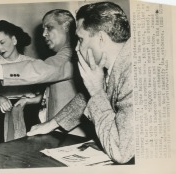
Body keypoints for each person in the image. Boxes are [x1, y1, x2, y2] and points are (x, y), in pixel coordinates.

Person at [26, 2, 134, 164]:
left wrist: (97, 92)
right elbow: (85, 97)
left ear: (101, 39)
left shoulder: (134, 72)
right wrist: (52, 123)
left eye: (81, 40)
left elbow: (121, 151)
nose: (76, 48)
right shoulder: (116, 62)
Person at [0, 9, 86, 136]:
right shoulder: (59, 56)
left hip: (70, 132)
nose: (44, 33)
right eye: (43, 29)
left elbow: (39, 69)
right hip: (56, 126)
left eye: (49, 28)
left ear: (66, 27)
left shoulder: (70, 56)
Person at [0, 20, 42, 146]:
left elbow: (42, 97)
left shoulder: (31, 63)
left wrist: (27, 100)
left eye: (2, 42)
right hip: (0, 112)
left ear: (14, 40)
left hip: (28, 110)